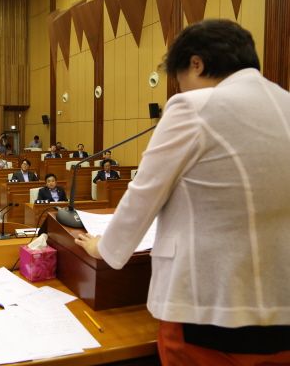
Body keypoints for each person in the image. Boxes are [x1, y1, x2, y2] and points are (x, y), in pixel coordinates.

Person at [74, 19, 290, 364]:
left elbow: (143, 194)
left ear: (196, 63)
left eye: (181, 80)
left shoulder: (194, 106)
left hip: (207, 305)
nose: (183, 89)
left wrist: (106, 247)